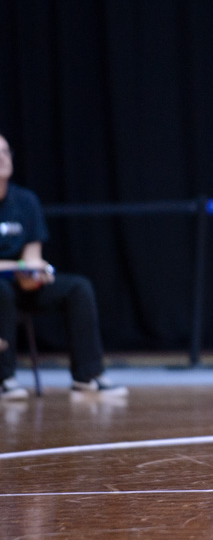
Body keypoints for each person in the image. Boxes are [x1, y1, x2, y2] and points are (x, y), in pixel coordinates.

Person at [0, 132, 128, 399]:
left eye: (6, 151)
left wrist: (34, 272)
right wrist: (16, 266)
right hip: (2, 290)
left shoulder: (25, 201)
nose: (3, 158)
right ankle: (5, 379)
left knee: (77, 288)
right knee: (2, 291)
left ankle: (88, 374)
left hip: (21, 284)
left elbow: (32, 255)